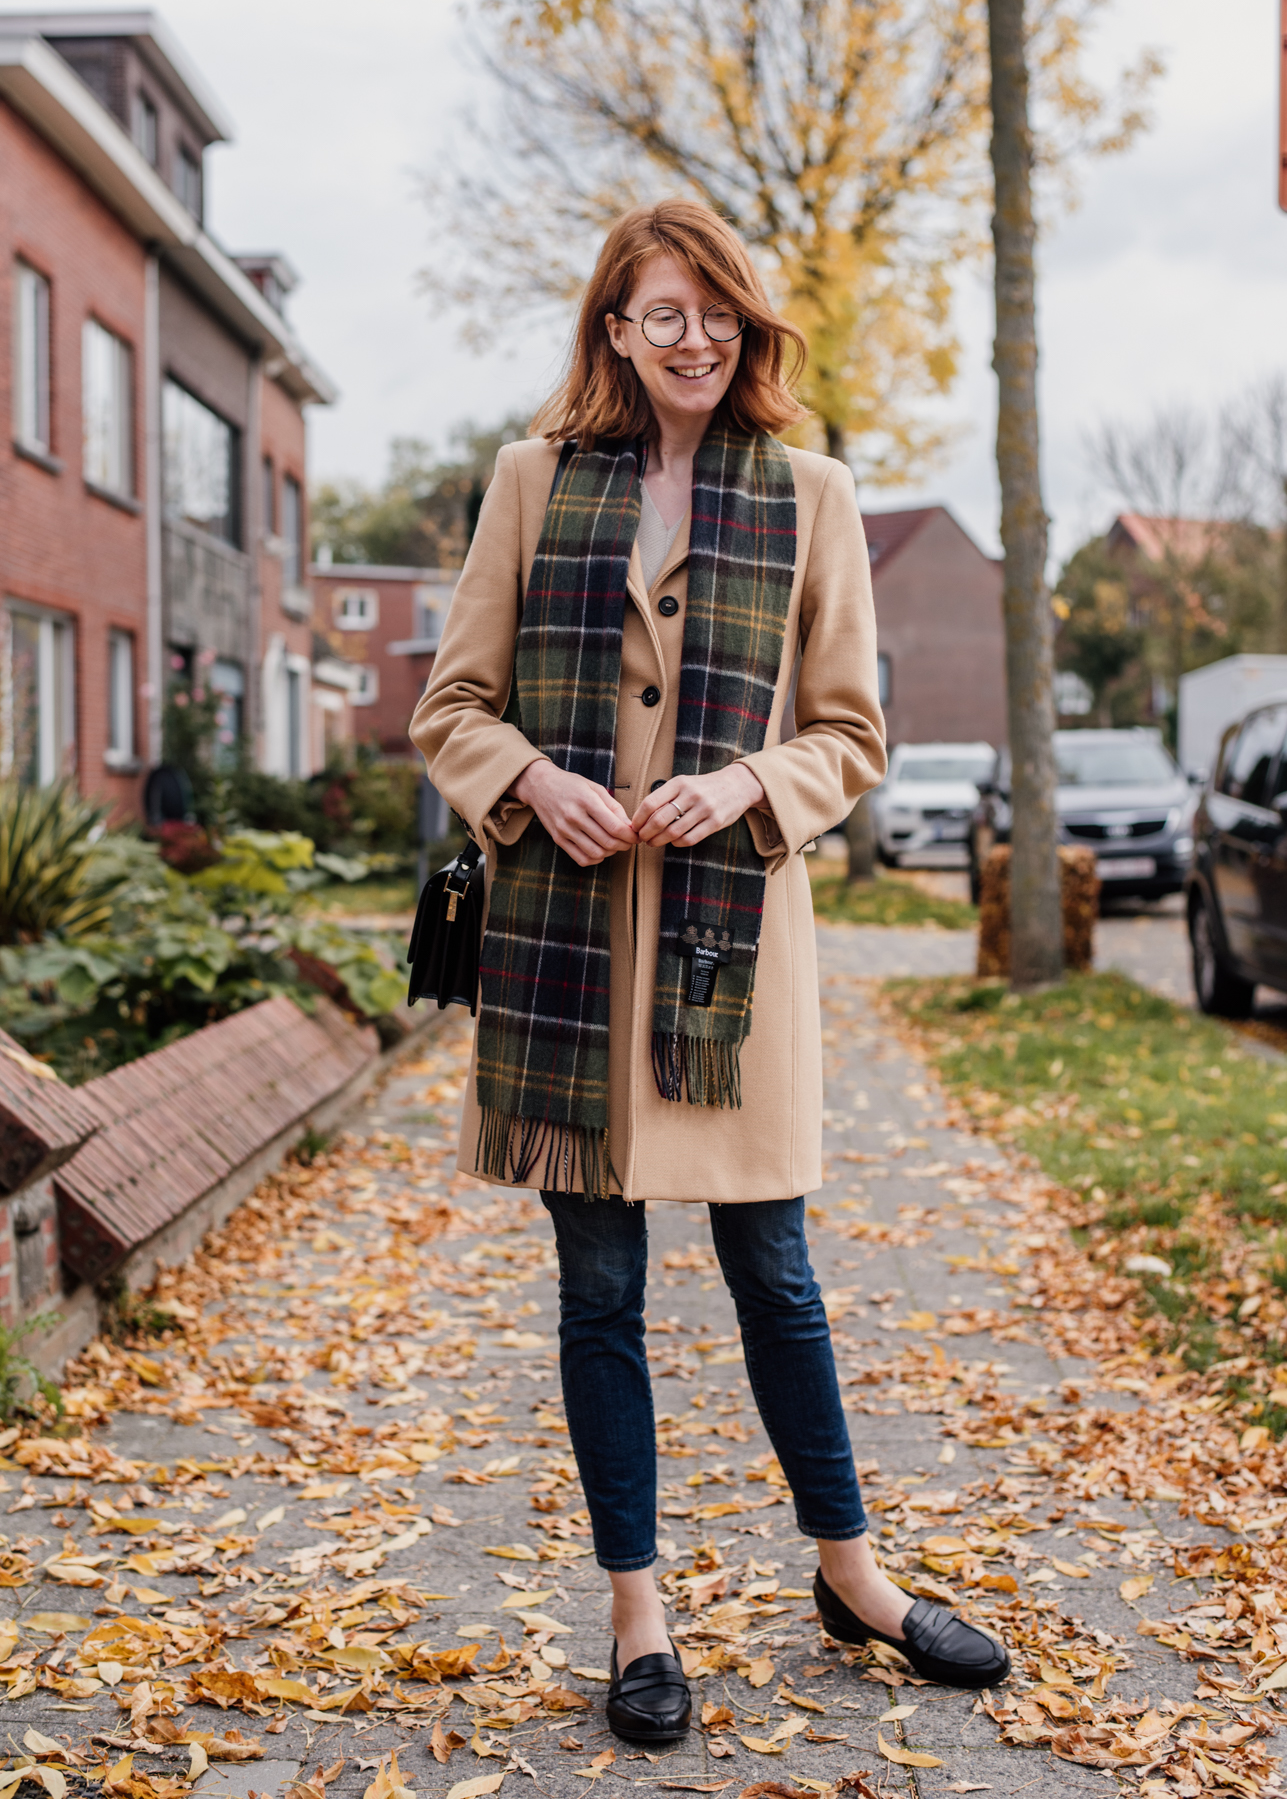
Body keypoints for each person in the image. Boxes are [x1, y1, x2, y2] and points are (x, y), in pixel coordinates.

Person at [410, 200, 1009, 1742]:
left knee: (779, 1279)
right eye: (663, 313)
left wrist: (743, 789)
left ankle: (853, 1577)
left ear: (748, 330)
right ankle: (638, 1615)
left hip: (733, 959)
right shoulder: (533, 481)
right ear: (613, 328)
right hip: (569, 950)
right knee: (599, 1290)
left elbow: (853, 734)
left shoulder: (811, 492)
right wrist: (537, 782)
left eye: (719, 315)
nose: (695, 339)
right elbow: (453, 705)